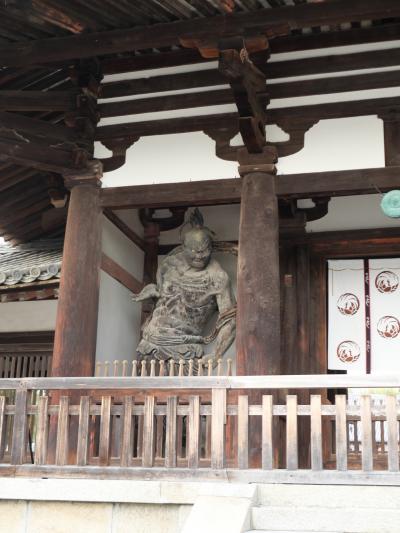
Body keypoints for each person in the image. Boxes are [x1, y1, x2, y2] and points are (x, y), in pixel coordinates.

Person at [132, 209, 236, 368]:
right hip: (148, 344)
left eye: (204, 250)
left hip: (185, 350)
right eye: (194, 251)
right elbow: (163, 298)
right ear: (183, 247)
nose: (199, 256)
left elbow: (230, 321)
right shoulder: (169, 265)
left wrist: (217, 354)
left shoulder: (217, 277)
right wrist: (153, 292)